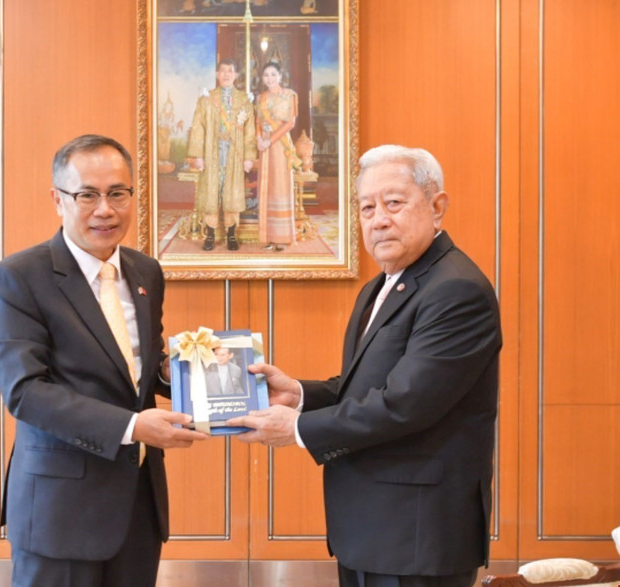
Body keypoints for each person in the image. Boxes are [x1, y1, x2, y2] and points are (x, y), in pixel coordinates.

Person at [227, 145, 502, 587]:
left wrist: (295, 430)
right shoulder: (383, 285)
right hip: (373, 529)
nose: (378, 219)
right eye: (367, 207)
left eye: (394, 203)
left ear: (437, 207)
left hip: (417, 537)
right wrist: (297, 394)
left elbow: (405, 404)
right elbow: (365, 388)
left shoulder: (456, 291)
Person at [0, 134, 209, 587]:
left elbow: (135, 367)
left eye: (117, 193)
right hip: (59, 509)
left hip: (137, 506)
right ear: (58, 200)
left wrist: (181, 368)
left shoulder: (146, 271)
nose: (105, 209)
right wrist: (132, 427)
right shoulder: (17, 278)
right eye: (87, 194)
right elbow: (26, 392)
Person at [186, 58, 256, 251]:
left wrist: (249, 157)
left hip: (235, 153)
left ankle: (231, 234)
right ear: (217, 74)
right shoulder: (207, 98)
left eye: (230, 71)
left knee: (232, 192)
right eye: (223, 71)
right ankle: (210, 234)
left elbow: (250, 131)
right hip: (211, 152)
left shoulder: (244, 100)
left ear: (236, 75)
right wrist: (198, 155)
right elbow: (198, 127)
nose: (226, 74)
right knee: (211, 192)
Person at [256, 61, 299, 251]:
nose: (270, 78)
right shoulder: (261, 98)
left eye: (273, 74)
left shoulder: (290, 95)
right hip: (264, 147)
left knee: (280, 187)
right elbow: (257, 121)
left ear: (280, 76)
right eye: (266, 75)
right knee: (266, 188)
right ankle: (268, 236)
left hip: (280, 146)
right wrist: (259, 139)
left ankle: (282, 237)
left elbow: (290, 123)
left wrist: (270, 140)